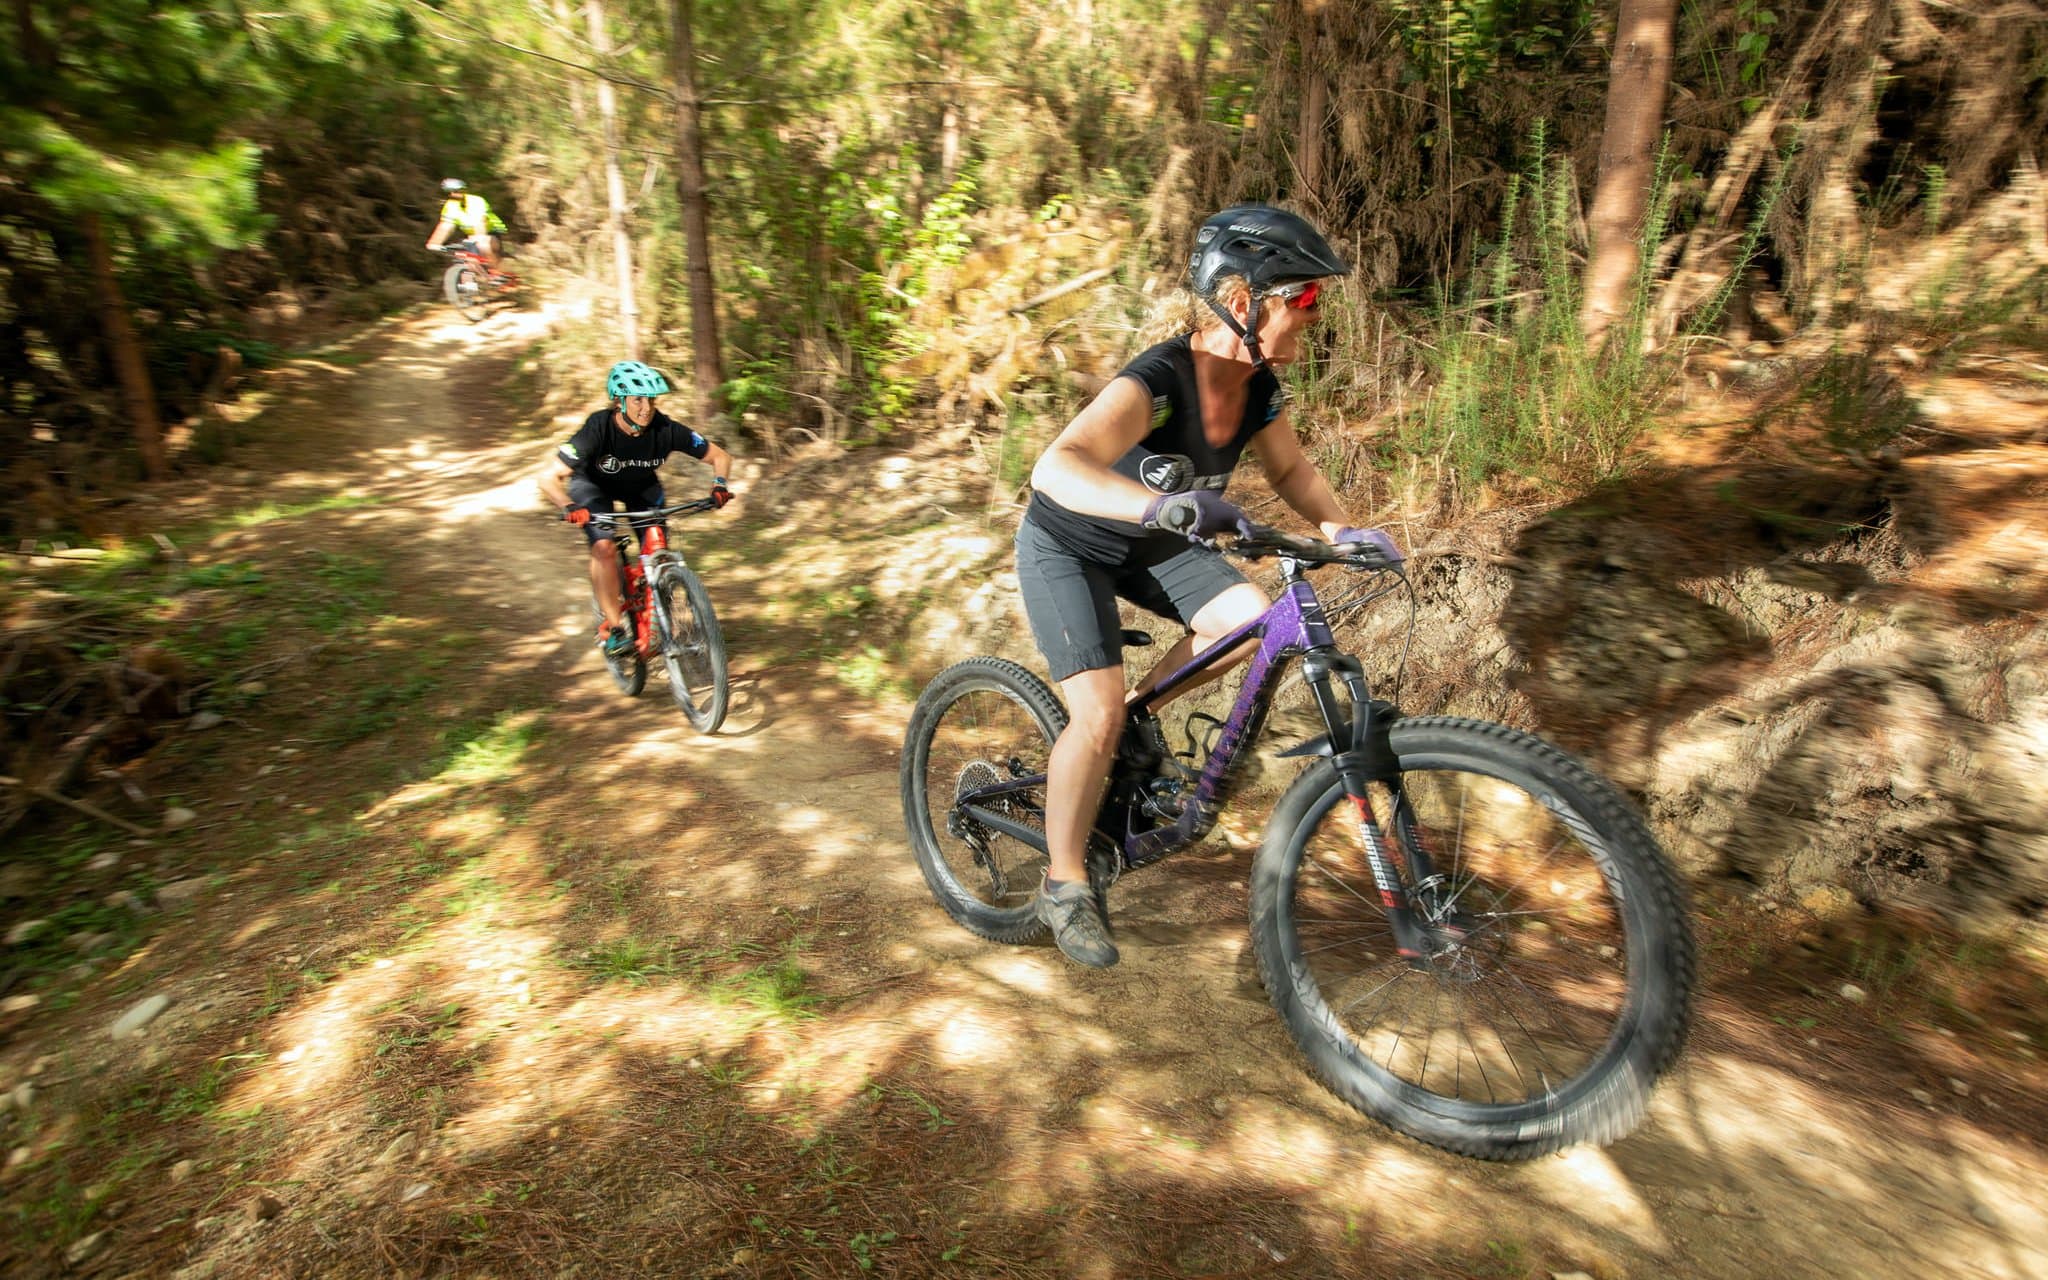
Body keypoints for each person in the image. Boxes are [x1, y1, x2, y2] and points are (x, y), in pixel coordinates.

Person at [1016, 204, 1403, 968]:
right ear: (1241, 303)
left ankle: (1131, 724)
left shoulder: (1258, 389)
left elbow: (1291, 471)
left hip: (1154, 546)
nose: (1313, 319)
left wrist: (1340, 531)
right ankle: (1062, 882)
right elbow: (1055, 467)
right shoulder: (1159, 380)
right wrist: (1160, 502)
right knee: (1090, 716)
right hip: (1070, 544)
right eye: (1304, 301)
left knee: (1249, 616)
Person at [537, 361, 735, 656]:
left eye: (651, 400)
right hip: (593, 489)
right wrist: (568, 505)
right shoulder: (598, 428)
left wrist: (719, 485)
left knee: (658, 552)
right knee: (604, 547)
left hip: (641, 489)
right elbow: (548, 477)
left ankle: (658, 616)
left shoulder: (666, 429)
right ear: (620, 400)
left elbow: (720, 456)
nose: (646, 408)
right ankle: (616, 629)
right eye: (638, 400)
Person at [425, 177, 508, 274]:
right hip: (472, 235)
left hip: (491, 231)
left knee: (483, 245)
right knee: (467, 257)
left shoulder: (476, 201)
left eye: (457, 191)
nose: (454, 194)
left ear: (463, 190)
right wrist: (434, 243)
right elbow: (445, 226)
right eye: (450, 192)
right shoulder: (450, 206)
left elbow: (481, 222)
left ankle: (498, 273)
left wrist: (477, 239)